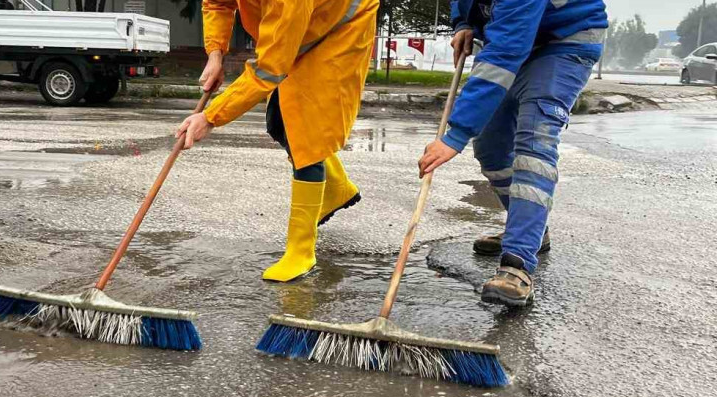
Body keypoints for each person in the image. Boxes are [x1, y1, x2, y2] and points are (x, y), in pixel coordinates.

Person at [417, 0, 607, 307]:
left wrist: (456, 135)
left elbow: (506, 52)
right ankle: (532, 229)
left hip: (564, 42)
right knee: (491, 148)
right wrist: (463, 23)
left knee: (534, 142)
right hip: (515, 38)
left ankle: (517, 264)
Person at [176, 0, 377, 282]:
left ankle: (301, 251)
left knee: (307, 127)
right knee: (279, 121)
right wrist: (215, 53)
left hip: (341, 29)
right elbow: (217, 3)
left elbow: (269, 68)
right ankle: (336, 188)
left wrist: (210, 117)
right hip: (299, 28)